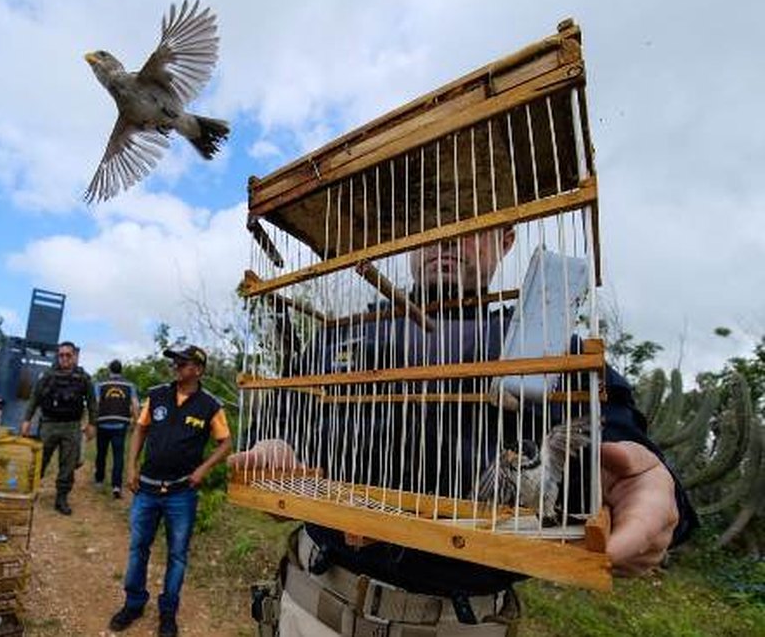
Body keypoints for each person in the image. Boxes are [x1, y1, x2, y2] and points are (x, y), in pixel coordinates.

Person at [231, 228, 698, 636]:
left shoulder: (552, 350)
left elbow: (625, 446)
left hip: (461, 624)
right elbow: (276, 422)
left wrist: (647, 487)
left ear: (506, 241)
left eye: (471, 225)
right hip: (313, 607)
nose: (447, 239)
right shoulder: (341, 336)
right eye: (429, 227)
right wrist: (274, 453)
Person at [108, 345, 233, 637]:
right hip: (147, 489)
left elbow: (226, 443)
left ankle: (168, 613)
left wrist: (204, 468)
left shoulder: (210, 405)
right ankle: (134, 603)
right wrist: (131, 466)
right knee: (138, 548)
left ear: (198, 370)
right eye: (174, 362)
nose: (175, 366)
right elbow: (140, 429)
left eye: (182, 362)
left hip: (181, 493)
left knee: (177, 554)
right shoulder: (158, 395)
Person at [22, 341, 97, 515]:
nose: (64, 358)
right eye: (61, 355)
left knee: (68, 465)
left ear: (75, 356)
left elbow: (92, 403)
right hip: (49, 425)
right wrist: (26, 420)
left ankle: (61, 498)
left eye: (68, 355)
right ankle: (29, 492)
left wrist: (92, 423)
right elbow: (34, 398)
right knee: (40, 461)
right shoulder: (48, 375)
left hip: (71, 427)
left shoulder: (83, 378)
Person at [95, 359, 140, 499]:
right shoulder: (129, 385)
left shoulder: (100, 384)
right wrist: (136, 422)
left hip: (103, 423)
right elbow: (135, 404)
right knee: (118, 456)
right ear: (121, 370)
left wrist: (92, 420)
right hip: (121, 425)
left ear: (110, 370)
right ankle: (116, 486)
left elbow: (96, 403)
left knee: (101, 453)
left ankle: (99, 481)